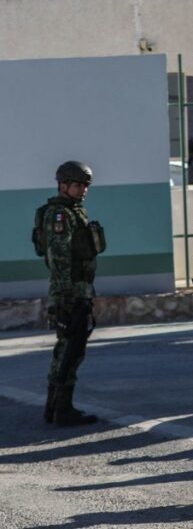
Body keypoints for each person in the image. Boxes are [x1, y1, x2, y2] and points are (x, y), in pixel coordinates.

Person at [34, 161, 106, 426]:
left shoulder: (74, 211)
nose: (84, 189)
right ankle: (60, 408)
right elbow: (59, 257)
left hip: (78, 289)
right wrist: (66, 294)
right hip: (70, 292)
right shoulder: (59, 214)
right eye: (79, 184)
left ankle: (56, 407)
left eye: (86, 185)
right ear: (63, 185)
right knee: (69, 350)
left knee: (70, 349)